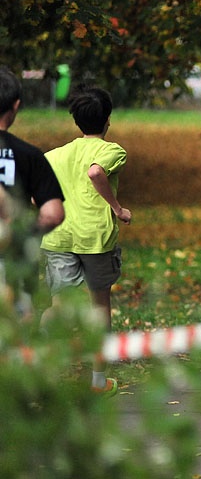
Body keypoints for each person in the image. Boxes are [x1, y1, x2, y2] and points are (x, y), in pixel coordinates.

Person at [39, 85, 130, 395]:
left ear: (76, 121)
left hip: (59, 236)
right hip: (96, 238)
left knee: (59, 305)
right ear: (107, 120)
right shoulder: (111, 150)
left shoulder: (53, 156)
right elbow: (95, 173)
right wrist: (117, 209)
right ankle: (97, 381)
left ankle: (44, 366)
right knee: (99, 307)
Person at [0, 66, 65, 316]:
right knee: (18, 327)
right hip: (16, 261)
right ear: (15, 106)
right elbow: (53, 214)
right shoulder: (30, 156)